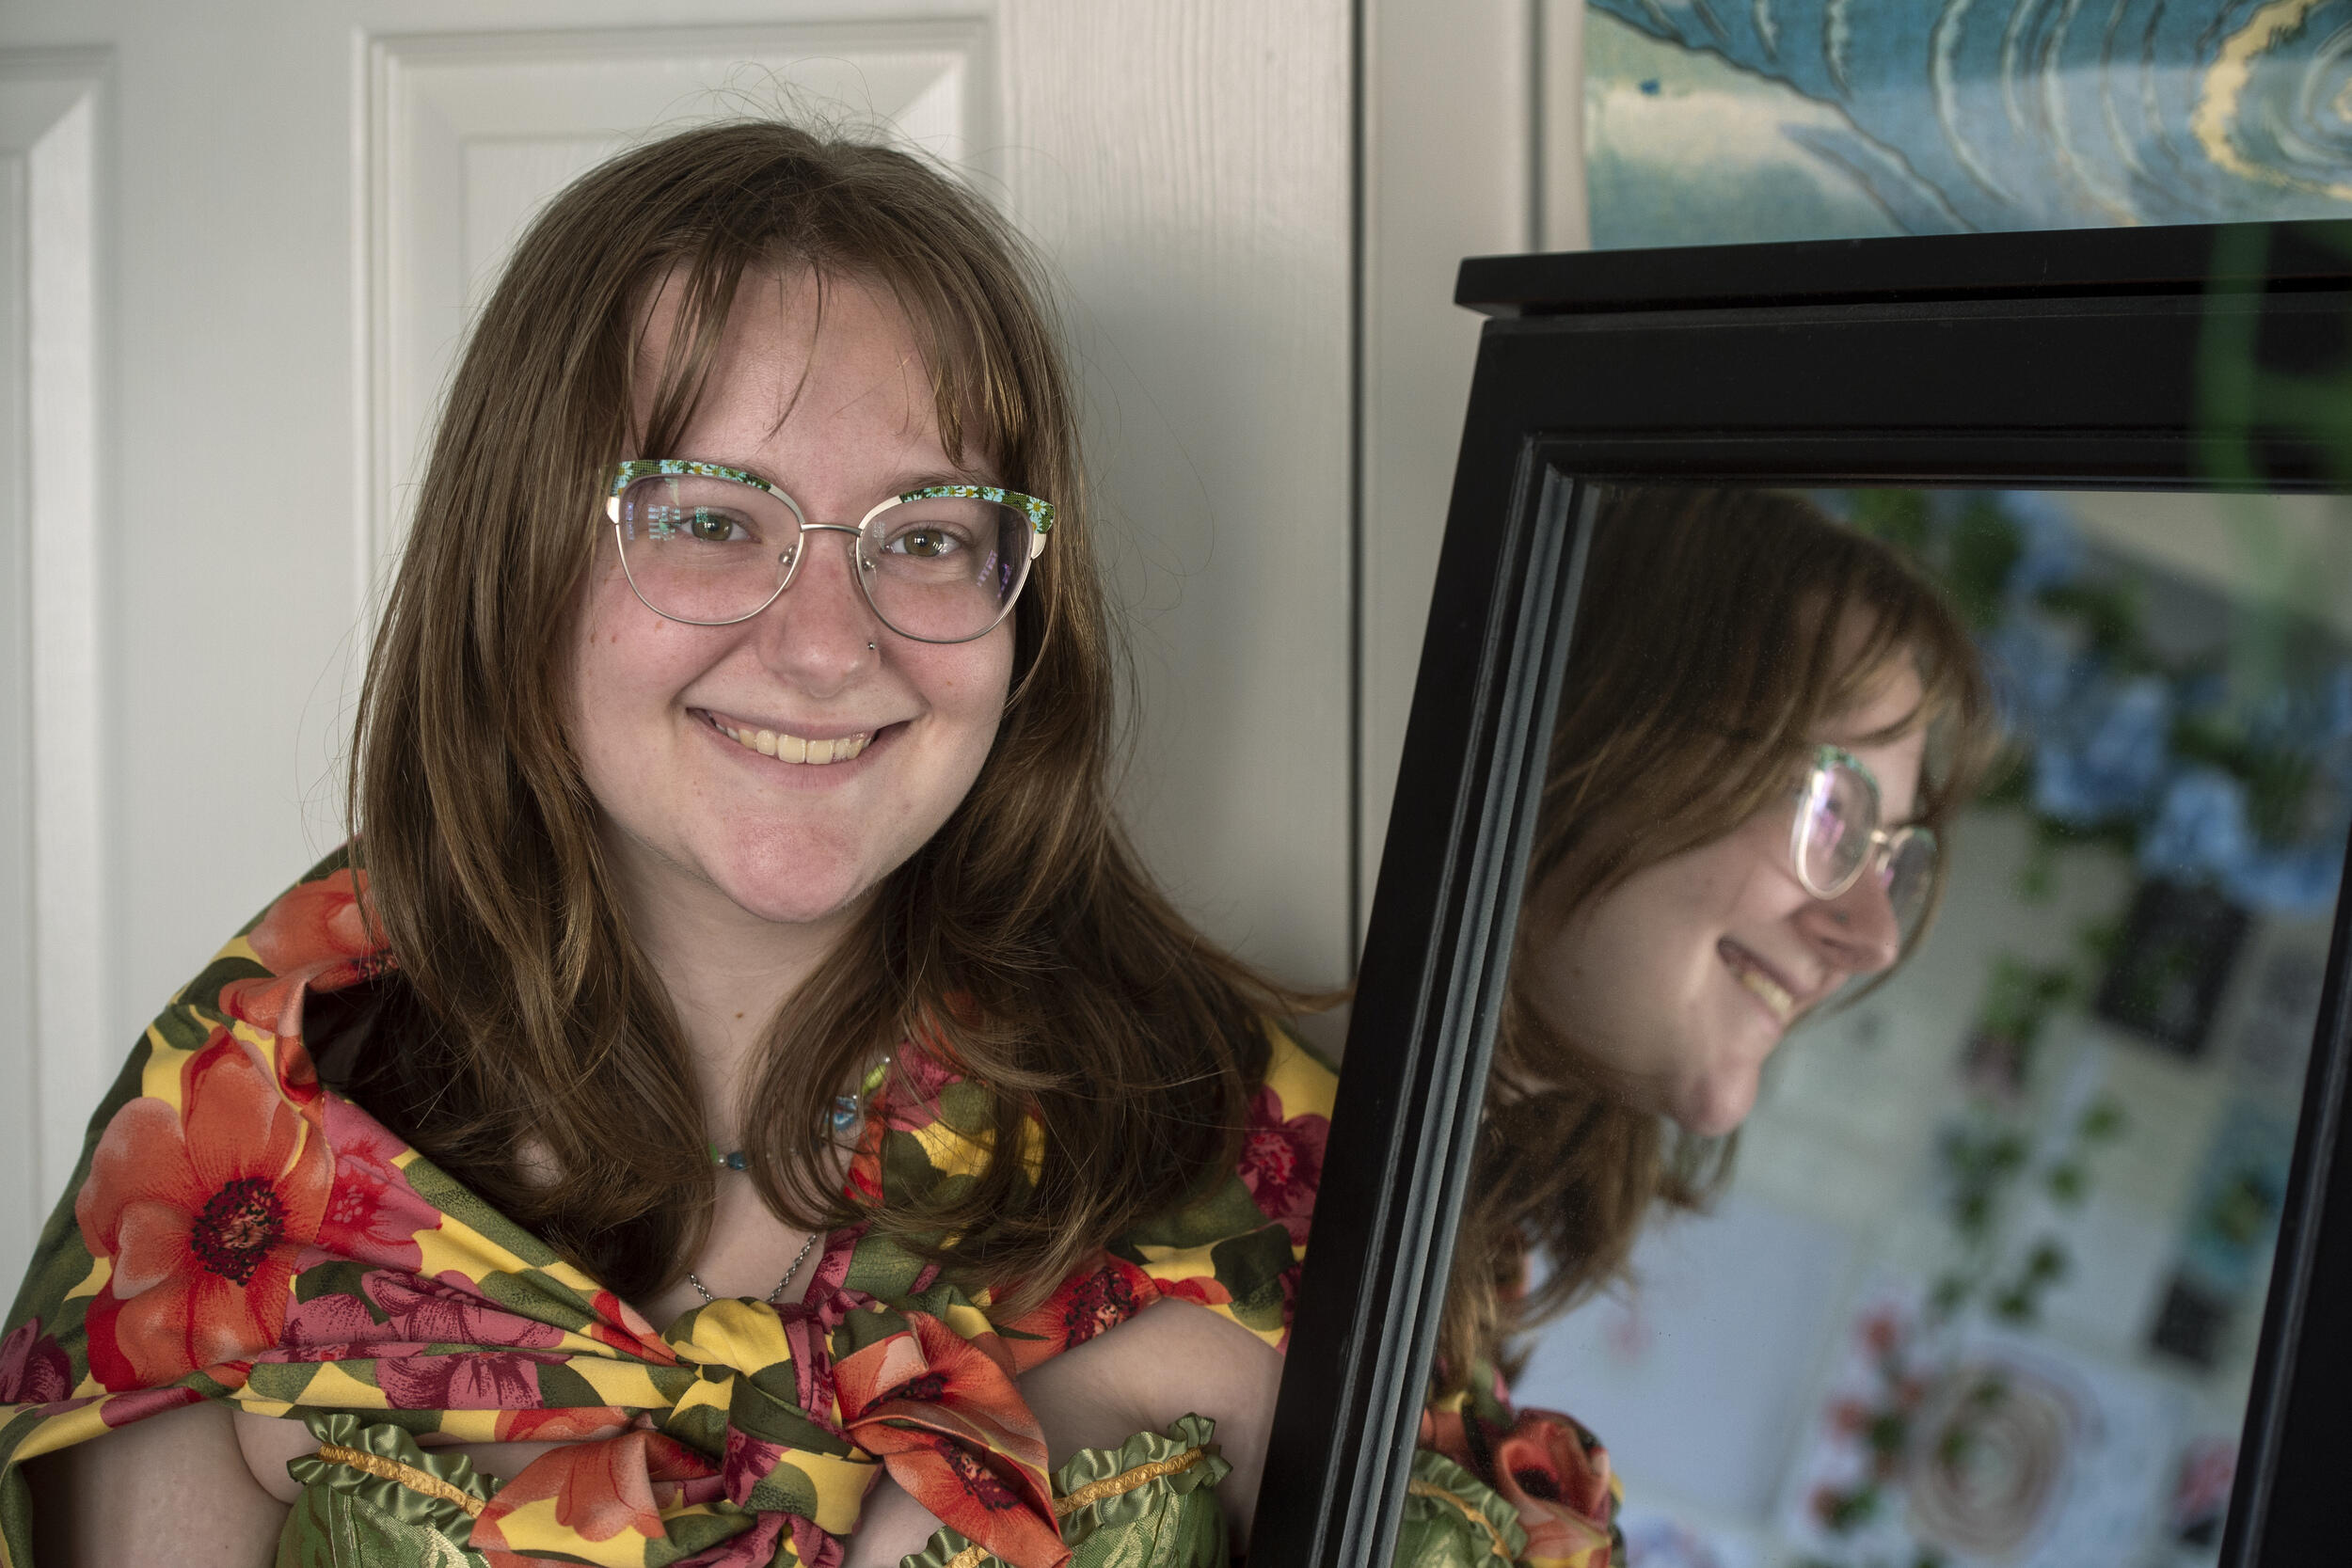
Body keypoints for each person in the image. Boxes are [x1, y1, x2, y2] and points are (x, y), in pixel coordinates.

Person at [0, 121, 1337, 1568]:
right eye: (709, 516)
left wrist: (1144, 1398)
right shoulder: (240, 1140)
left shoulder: (1231, 1143)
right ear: (518, 559)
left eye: (927, 535)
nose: (827, 646)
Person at [1395, 487, 1998, 1567]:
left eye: (1892, 860)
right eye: (1832, 811)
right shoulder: (1190, 1168)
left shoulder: (1461, 1267)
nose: (1871, 937)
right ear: (1606, 718)